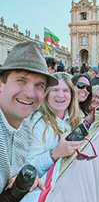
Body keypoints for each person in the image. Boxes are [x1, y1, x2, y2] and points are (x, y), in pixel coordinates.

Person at [0, 41, 58, 194]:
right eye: (21, 81)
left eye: (39, 85)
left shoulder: (24, 126)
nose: (30, 93)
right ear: (1, 84)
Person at [27, 73, 82, 178]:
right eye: (55, 90)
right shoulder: (37, 122)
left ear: (71, 95)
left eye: (65, 90)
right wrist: (56, 153)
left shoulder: (72, 119)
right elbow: (28, 169)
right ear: (46, 94)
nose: (60, 95)